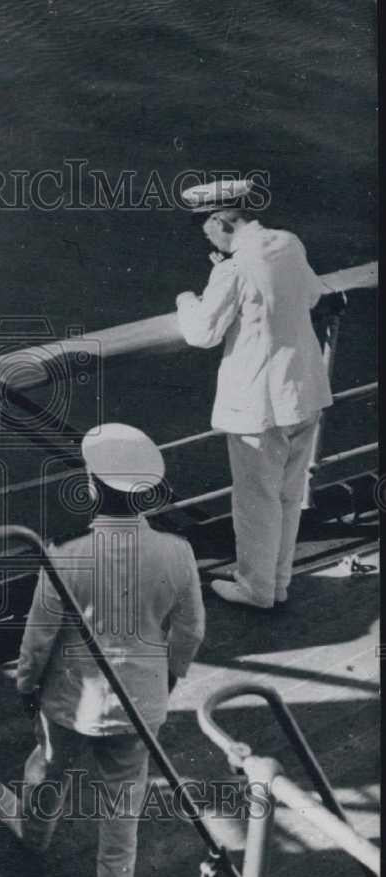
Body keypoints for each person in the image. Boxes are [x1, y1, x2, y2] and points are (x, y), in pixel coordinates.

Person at [0, 423, 205, 877]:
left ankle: (34, 837)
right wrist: (169, 677)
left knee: (48, 770)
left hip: (69, 703)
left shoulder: (66, 557)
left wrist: (26, 687)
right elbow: (191, 631)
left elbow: (37, 641)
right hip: (139, 706)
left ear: (92, 486)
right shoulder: (176, 553)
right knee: (122, 809)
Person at [175, 178, 333, 608]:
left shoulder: (231, 269)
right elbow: (313, 295)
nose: (206, 237)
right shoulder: (288, 242)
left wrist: (187, 298)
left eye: (206, 228)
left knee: (256, 500)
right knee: (288, 494)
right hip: (304, 391)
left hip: (258, 406)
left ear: (219, 221)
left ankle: (256, 589)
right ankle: (277, 583)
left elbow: (202, 333)